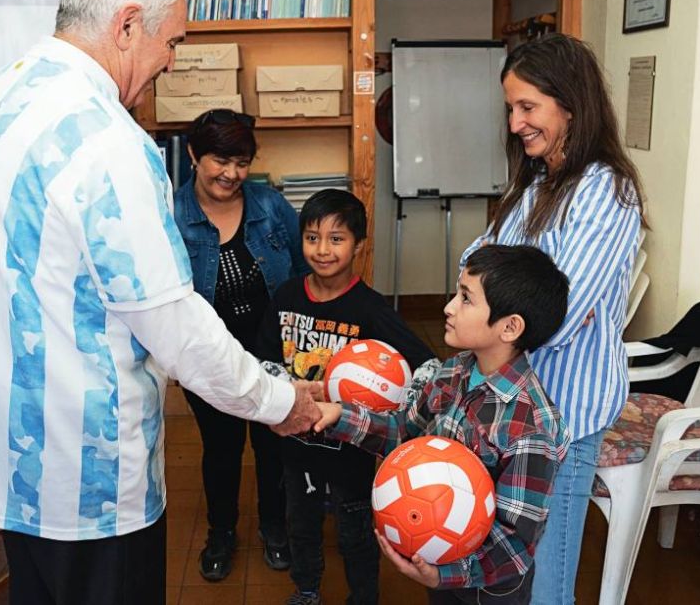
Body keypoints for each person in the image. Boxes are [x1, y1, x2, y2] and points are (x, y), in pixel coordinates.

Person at [0, 0, 320, 605]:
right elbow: (172, 322)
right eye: (171, 43)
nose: (170, 63)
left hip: (6, 463)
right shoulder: (105, 138)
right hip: (90, 483)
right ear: (128, 24)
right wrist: (280, 403)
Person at [460, 33, 645, 604]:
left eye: (527, 107)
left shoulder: (606, 193)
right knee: (508, 570)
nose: (516, 124)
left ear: (570, 104)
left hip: (562, 416)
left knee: (545, 581)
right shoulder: (535, 183)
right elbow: (476, 263)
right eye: (510, 109)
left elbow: (554, 318)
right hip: (512, 409)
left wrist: (485, 310)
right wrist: (488, 304)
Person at [314, 244, 571, 605]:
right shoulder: (453, 371)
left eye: (466, 298)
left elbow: (513, 544)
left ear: (510, 327)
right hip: (438, 560)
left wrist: (444, 575)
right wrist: (339, 415)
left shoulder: (530, 428)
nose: (448, 306)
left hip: (489, 589)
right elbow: (404, 434)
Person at [256, 189, 438, 605]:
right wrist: (285, 392)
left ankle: (363, 597)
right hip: (295, 447)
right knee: (300, 527)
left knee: (356, 534)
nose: (322, 250)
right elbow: (262, 359)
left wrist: (391, 406)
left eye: (336, 239)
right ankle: (305, 591)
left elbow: (427, 366)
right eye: (312, 237)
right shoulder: (285, 296)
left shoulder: (370, 309)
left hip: (351, 451)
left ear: (359, 244)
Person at [173, 108, 308, 580]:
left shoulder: (270, 206)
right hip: (209, 359)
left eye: (242, 162)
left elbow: (301, 274)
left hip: (272, 351)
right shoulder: (172, 215)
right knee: (222, 447)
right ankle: (222, 533)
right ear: (193, 154)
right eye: (220, 160)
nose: (231, 174)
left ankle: (275, 527)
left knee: (273, 443)